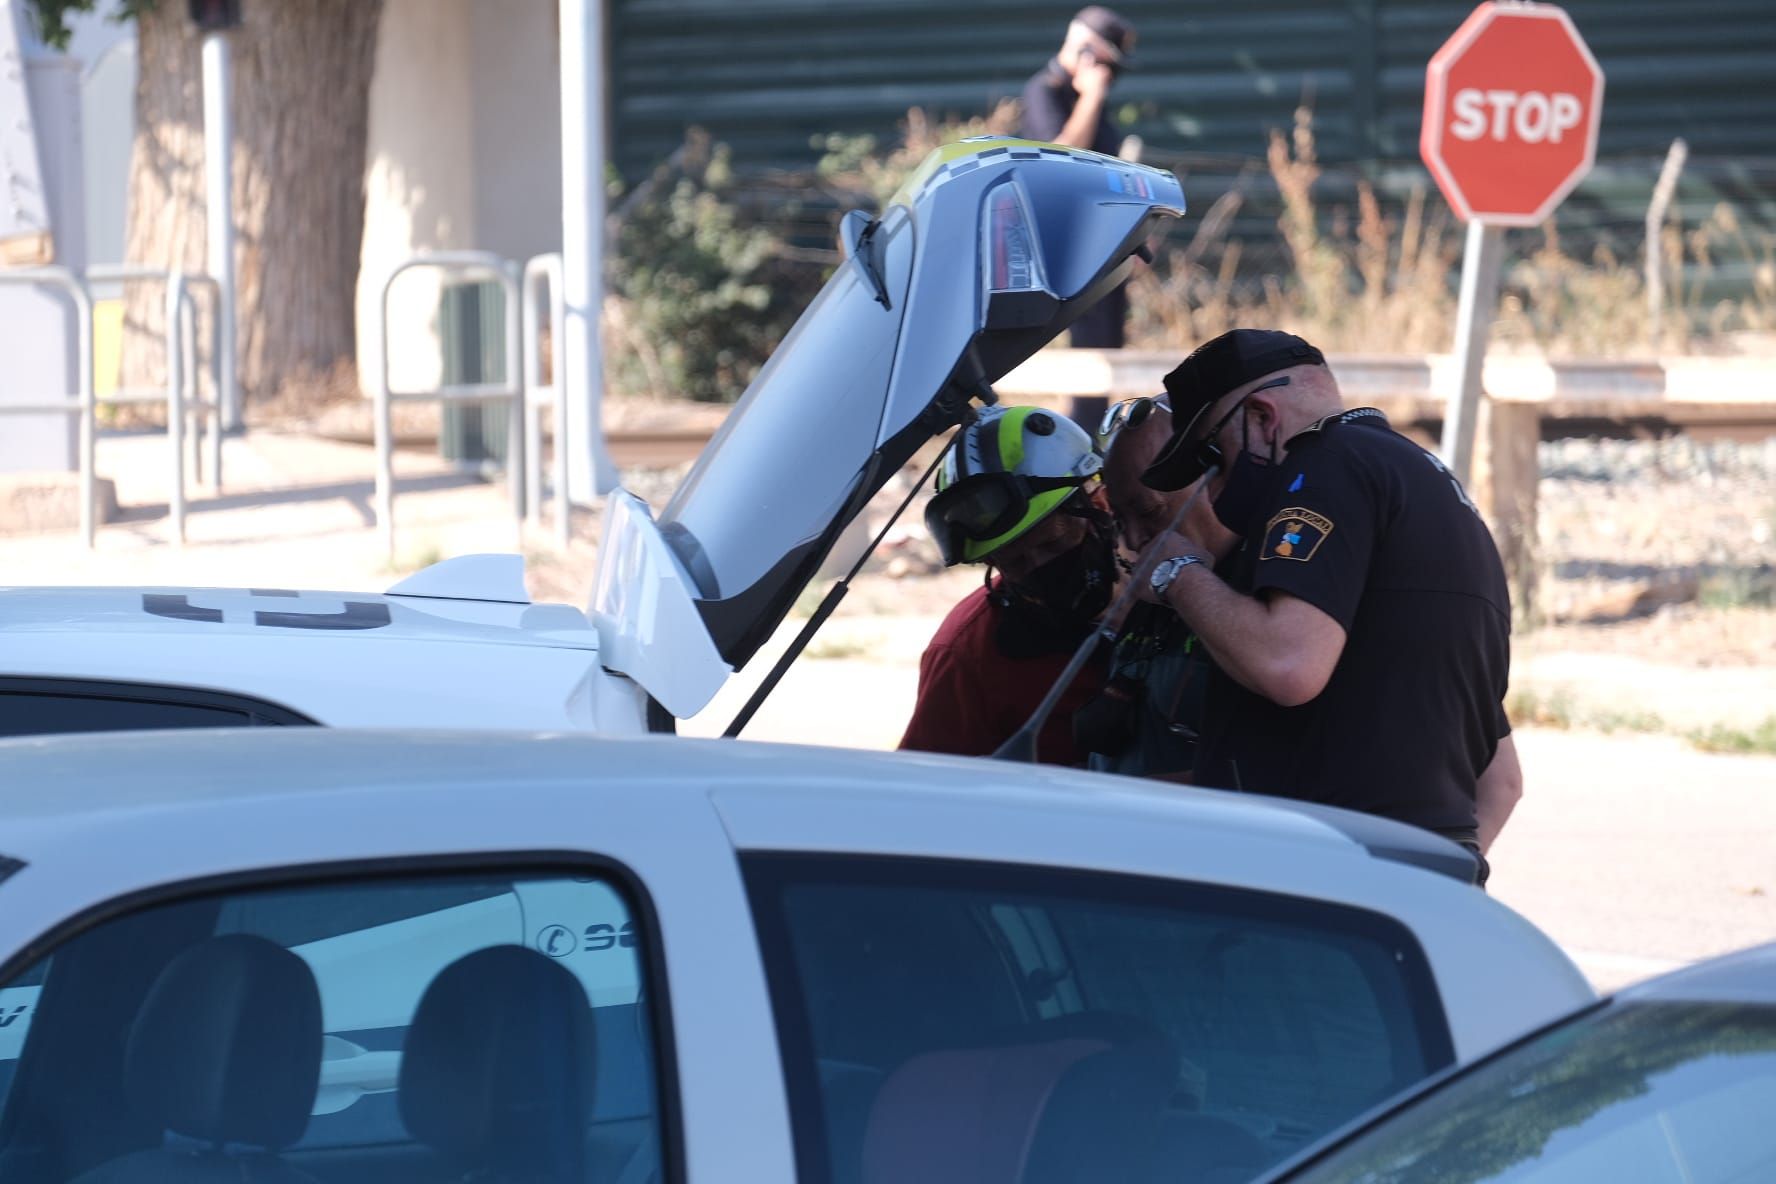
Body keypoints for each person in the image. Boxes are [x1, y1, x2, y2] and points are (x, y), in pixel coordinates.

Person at [1129, 329, 1522, 881]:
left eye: (1211, 459)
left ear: (1263, 418)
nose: (1212, 490)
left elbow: (1289, 664)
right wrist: (1437, 874)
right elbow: (1500, 777)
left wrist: (1177, 571)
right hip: (1411, 869)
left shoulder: (1324, 469)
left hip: (1325, 867)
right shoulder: (1419, 478)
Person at [900, 405, 1118, 764]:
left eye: (1052, 544)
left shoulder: (1181, 591)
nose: (1041, 568)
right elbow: (928, 793)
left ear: (1101, 505)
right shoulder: (968, 653)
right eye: (1015, 561)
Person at [1074, 395, 1238, 779]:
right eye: (1120, 519)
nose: (1132, 541)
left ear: (1219, 480)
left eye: (1148, 511)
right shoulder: (1151, 592)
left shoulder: (1270, 601)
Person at [1020, 7, 1138, 364]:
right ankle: (1083, 420)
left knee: (1108, 342)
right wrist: (1091, 96)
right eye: (1106, 60)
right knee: (1090, 350)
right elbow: (1061, 157)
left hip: (1106, 240)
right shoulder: (1045, 92)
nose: (1110, 73)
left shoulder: (1087, 100)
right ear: (1086, 48)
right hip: (1073, 244)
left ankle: (1094, 418)